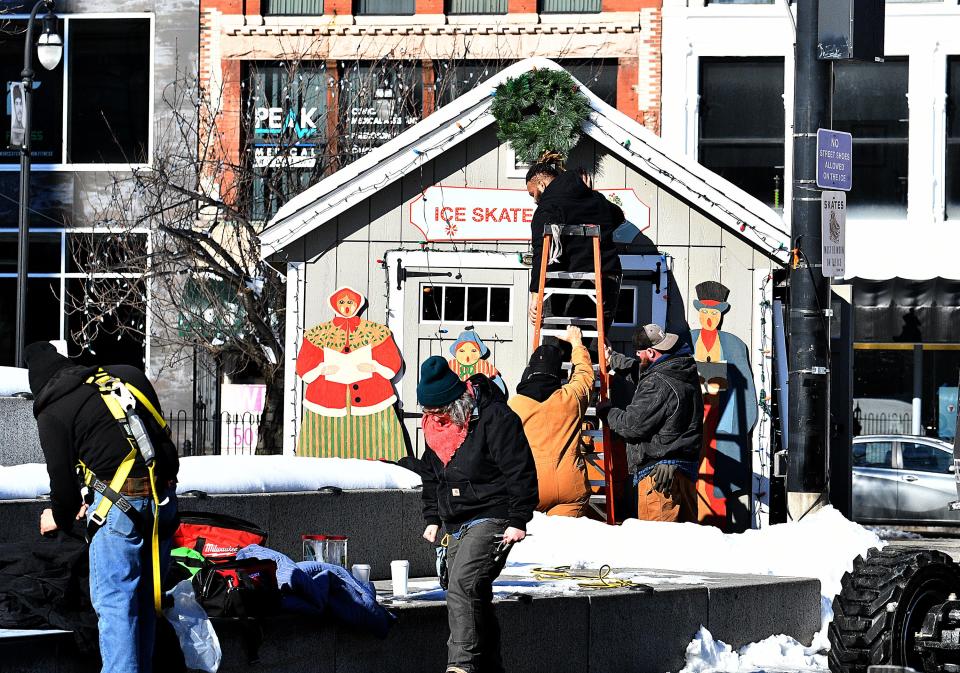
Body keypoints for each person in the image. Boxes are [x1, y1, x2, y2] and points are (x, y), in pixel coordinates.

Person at [25, 341, 179, 673]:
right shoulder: (128, 376)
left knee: (116, 607)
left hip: (119, 511)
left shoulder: (53, 411)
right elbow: (153, 443)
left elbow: (62, 490)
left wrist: (62, 518)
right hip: (163, 503)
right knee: (148, 601)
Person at [417, 355, 538, 673]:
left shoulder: (493, 418)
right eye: (428, 412)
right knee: (475, 594)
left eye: (439, 411)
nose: (434, 417)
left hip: (493, 513)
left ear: (454, 402)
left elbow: (519, 468)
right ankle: (490, 667)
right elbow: (431, 474)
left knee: (462, 583)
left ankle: (461, 665)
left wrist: (518, 519)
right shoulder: (434, 428)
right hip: (457, 520)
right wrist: (432, 517)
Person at [595, 324, 703, 523]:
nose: (638, 357)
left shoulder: (658, 383)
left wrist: (607, 412)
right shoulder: (682, 369)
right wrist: (613, 360)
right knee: (685, 543)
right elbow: (644, 371)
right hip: (684, 471)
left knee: (657, 545)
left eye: (640, 353)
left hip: (660, 477)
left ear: (652, 352)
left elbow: (631, 426)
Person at [295, 286, 406, 460]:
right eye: (342, 302)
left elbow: (392, 363)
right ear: (334, 304)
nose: (346, 306)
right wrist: (321, 369)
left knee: (377, 446)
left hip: (372, 400)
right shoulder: (317, 334)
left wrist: (375, 366)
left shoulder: (377, 332)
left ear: (357, 304)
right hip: (326, 401)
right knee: (322, 446)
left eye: (350, 302)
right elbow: (304, 367)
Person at [525, 154, 624, 331]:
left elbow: (541, 252)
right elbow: (618, 216)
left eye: (533, 193)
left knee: (557, 350)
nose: (534, 200)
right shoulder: (597, 200)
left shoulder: (547, 208)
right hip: (605, 279)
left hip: (565, 283)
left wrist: (535, 295)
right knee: (594, 351)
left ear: (542, 184)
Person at [509, 326, 593, 517]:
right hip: (570, 485)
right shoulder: (571, 397)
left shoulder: (514, 406)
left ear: (529, 372)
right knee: (564, 545)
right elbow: (585, 374)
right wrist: (576, 343)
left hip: (531, 486)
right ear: (560, 374)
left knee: (528, 543)